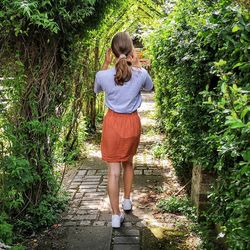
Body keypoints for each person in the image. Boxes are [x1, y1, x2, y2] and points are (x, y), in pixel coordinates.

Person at [94, 31, 153, 228]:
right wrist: (136, 65)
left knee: (113, 171)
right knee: (128, 162)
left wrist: (105, 64)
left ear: (111, 51)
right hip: (132, 124)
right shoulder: (141, 74)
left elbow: (96, 90)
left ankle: (115, 216)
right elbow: (150, 87)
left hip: (112, 124)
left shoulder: (102, 75)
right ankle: (127, 200)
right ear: (131, 52)